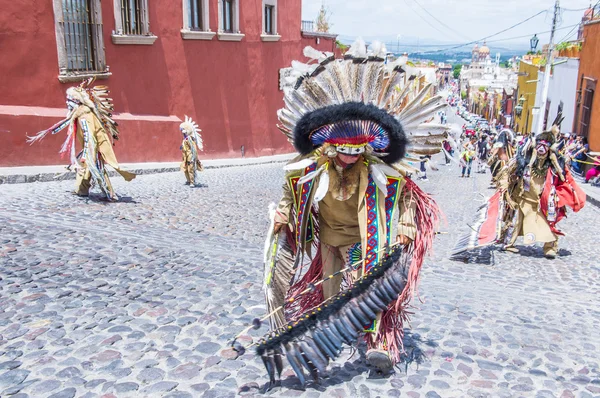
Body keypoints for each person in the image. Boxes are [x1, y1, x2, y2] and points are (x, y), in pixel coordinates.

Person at [263, 40, 443, 374]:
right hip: (331, 241)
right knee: (332, 297)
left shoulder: (379, 173)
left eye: (355, 152)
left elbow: (404, 198)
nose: (349, 157)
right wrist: (284, 215)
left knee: (369, 293)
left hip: (364, 241)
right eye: (342, 151)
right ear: (330, 148)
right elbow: (291, 195)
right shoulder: (312, 169)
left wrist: (404, 230)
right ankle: (324, 340)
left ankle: (380, 344)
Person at [27, 78, 136, 200]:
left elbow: (90, 136)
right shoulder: (79, 115)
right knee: (85, 167)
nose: (67, 103)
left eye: (69, 100)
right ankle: (82, 190)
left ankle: (109, 193)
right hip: (89, 146)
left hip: (94, 145)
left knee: (96, 168)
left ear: (76, 101)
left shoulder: (84, 116)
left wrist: (88, 152)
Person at [501, 124, 586, 259]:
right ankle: (508, 243)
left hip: (542, 201)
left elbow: (565, 180)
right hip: (524, 198)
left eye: (545, 146)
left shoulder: (554, 167)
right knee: (517, 222)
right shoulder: (526, 161)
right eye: (539, 145)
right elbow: (510, 174)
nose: (541, 149)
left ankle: (550, 248)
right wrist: (506, 186)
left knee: (547, 224)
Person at [179, 116, 204, 187]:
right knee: (185, 169)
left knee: (190, 169)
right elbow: (185, 145)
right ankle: (188, 180)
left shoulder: (190, 139)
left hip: (190, 156)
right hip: (185, 156)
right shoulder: (186, 139)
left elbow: (193, 148)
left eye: (182, 130)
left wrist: (193, 157)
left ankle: (192, 182)